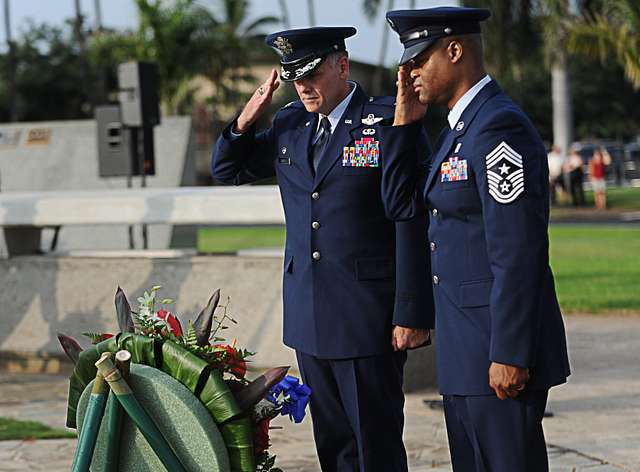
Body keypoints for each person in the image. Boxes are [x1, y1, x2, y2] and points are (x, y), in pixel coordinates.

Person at [211, 27, 434, 472]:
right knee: (333, 444)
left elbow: (410, 220)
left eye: (311, 74)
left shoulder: (388, 122)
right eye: (294, 78)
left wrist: (411, 311)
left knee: (376, 442)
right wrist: (245, 121)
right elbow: (226, 169)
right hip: (310, 314)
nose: (303, 86)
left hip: (368, 315)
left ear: (342, 66)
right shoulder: (291, 123)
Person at [379, 7, 571, 471]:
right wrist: (405, 125)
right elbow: (401, 204)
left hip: (497, 352)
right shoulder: (456, 130)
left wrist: (510, 352)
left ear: (455, 50)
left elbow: (518, 252)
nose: (410, 73)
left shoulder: (497, 127)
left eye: (418, 60)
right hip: (466, 349)